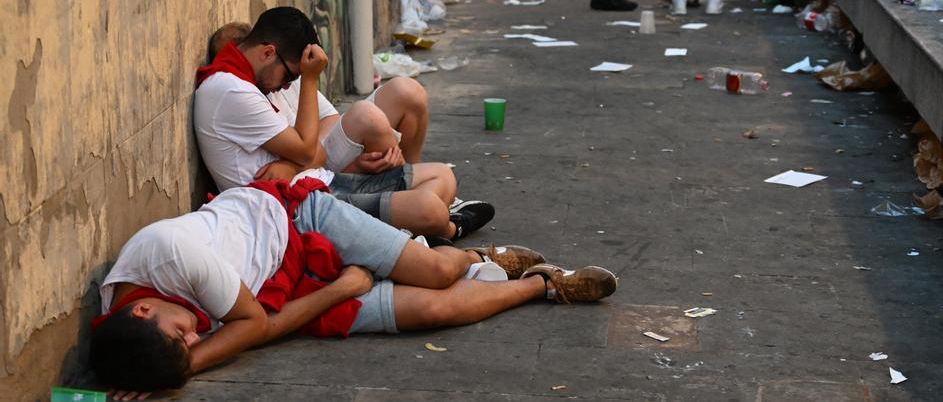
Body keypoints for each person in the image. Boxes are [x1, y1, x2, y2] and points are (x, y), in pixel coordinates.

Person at [89, 178, 617, 395]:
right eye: (189, 347)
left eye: (182, 337)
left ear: (143, 313)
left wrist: (188, 366)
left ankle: (478, 256)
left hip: (295, 224)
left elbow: (253, 326)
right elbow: (255, 328)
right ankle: (543, 285)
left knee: (436, 272)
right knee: (434, 313)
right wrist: (166, 369)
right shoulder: (133, 327)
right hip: (278, 293)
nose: (194, 339)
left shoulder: (169, 252)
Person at [194, 9, 491, 242]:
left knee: (444, 178)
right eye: (290, 77)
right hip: (302, 203)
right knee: (430, 209)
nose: (287, 85)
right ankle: (443, 229)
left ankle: (412, 223)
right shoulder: (232, 88)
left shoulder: (258, 79)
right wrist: (309, 79)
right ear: (267, 53)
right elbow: (305, 151)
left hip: (315, 180)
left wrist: (296, 162)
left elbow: (317, 141)